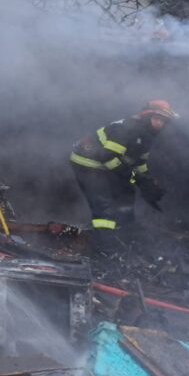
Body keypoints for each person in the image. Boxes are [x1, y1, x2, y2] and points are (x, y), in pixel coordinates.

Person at [70, 100, 176, 259]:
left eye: (163, 121)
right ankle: (104, 252)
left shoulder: (148, 135)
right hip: (89, 164)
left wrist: (147, 182)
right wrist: (136, 179)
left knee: (126, 195)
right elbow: (108, 159)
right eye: (157, 118)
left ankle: (126, 234)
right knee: (103, 205)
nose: (159, 123)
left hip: (107, 166)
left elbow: (139, 163)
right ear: (147, 116)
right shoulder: (127, 129)